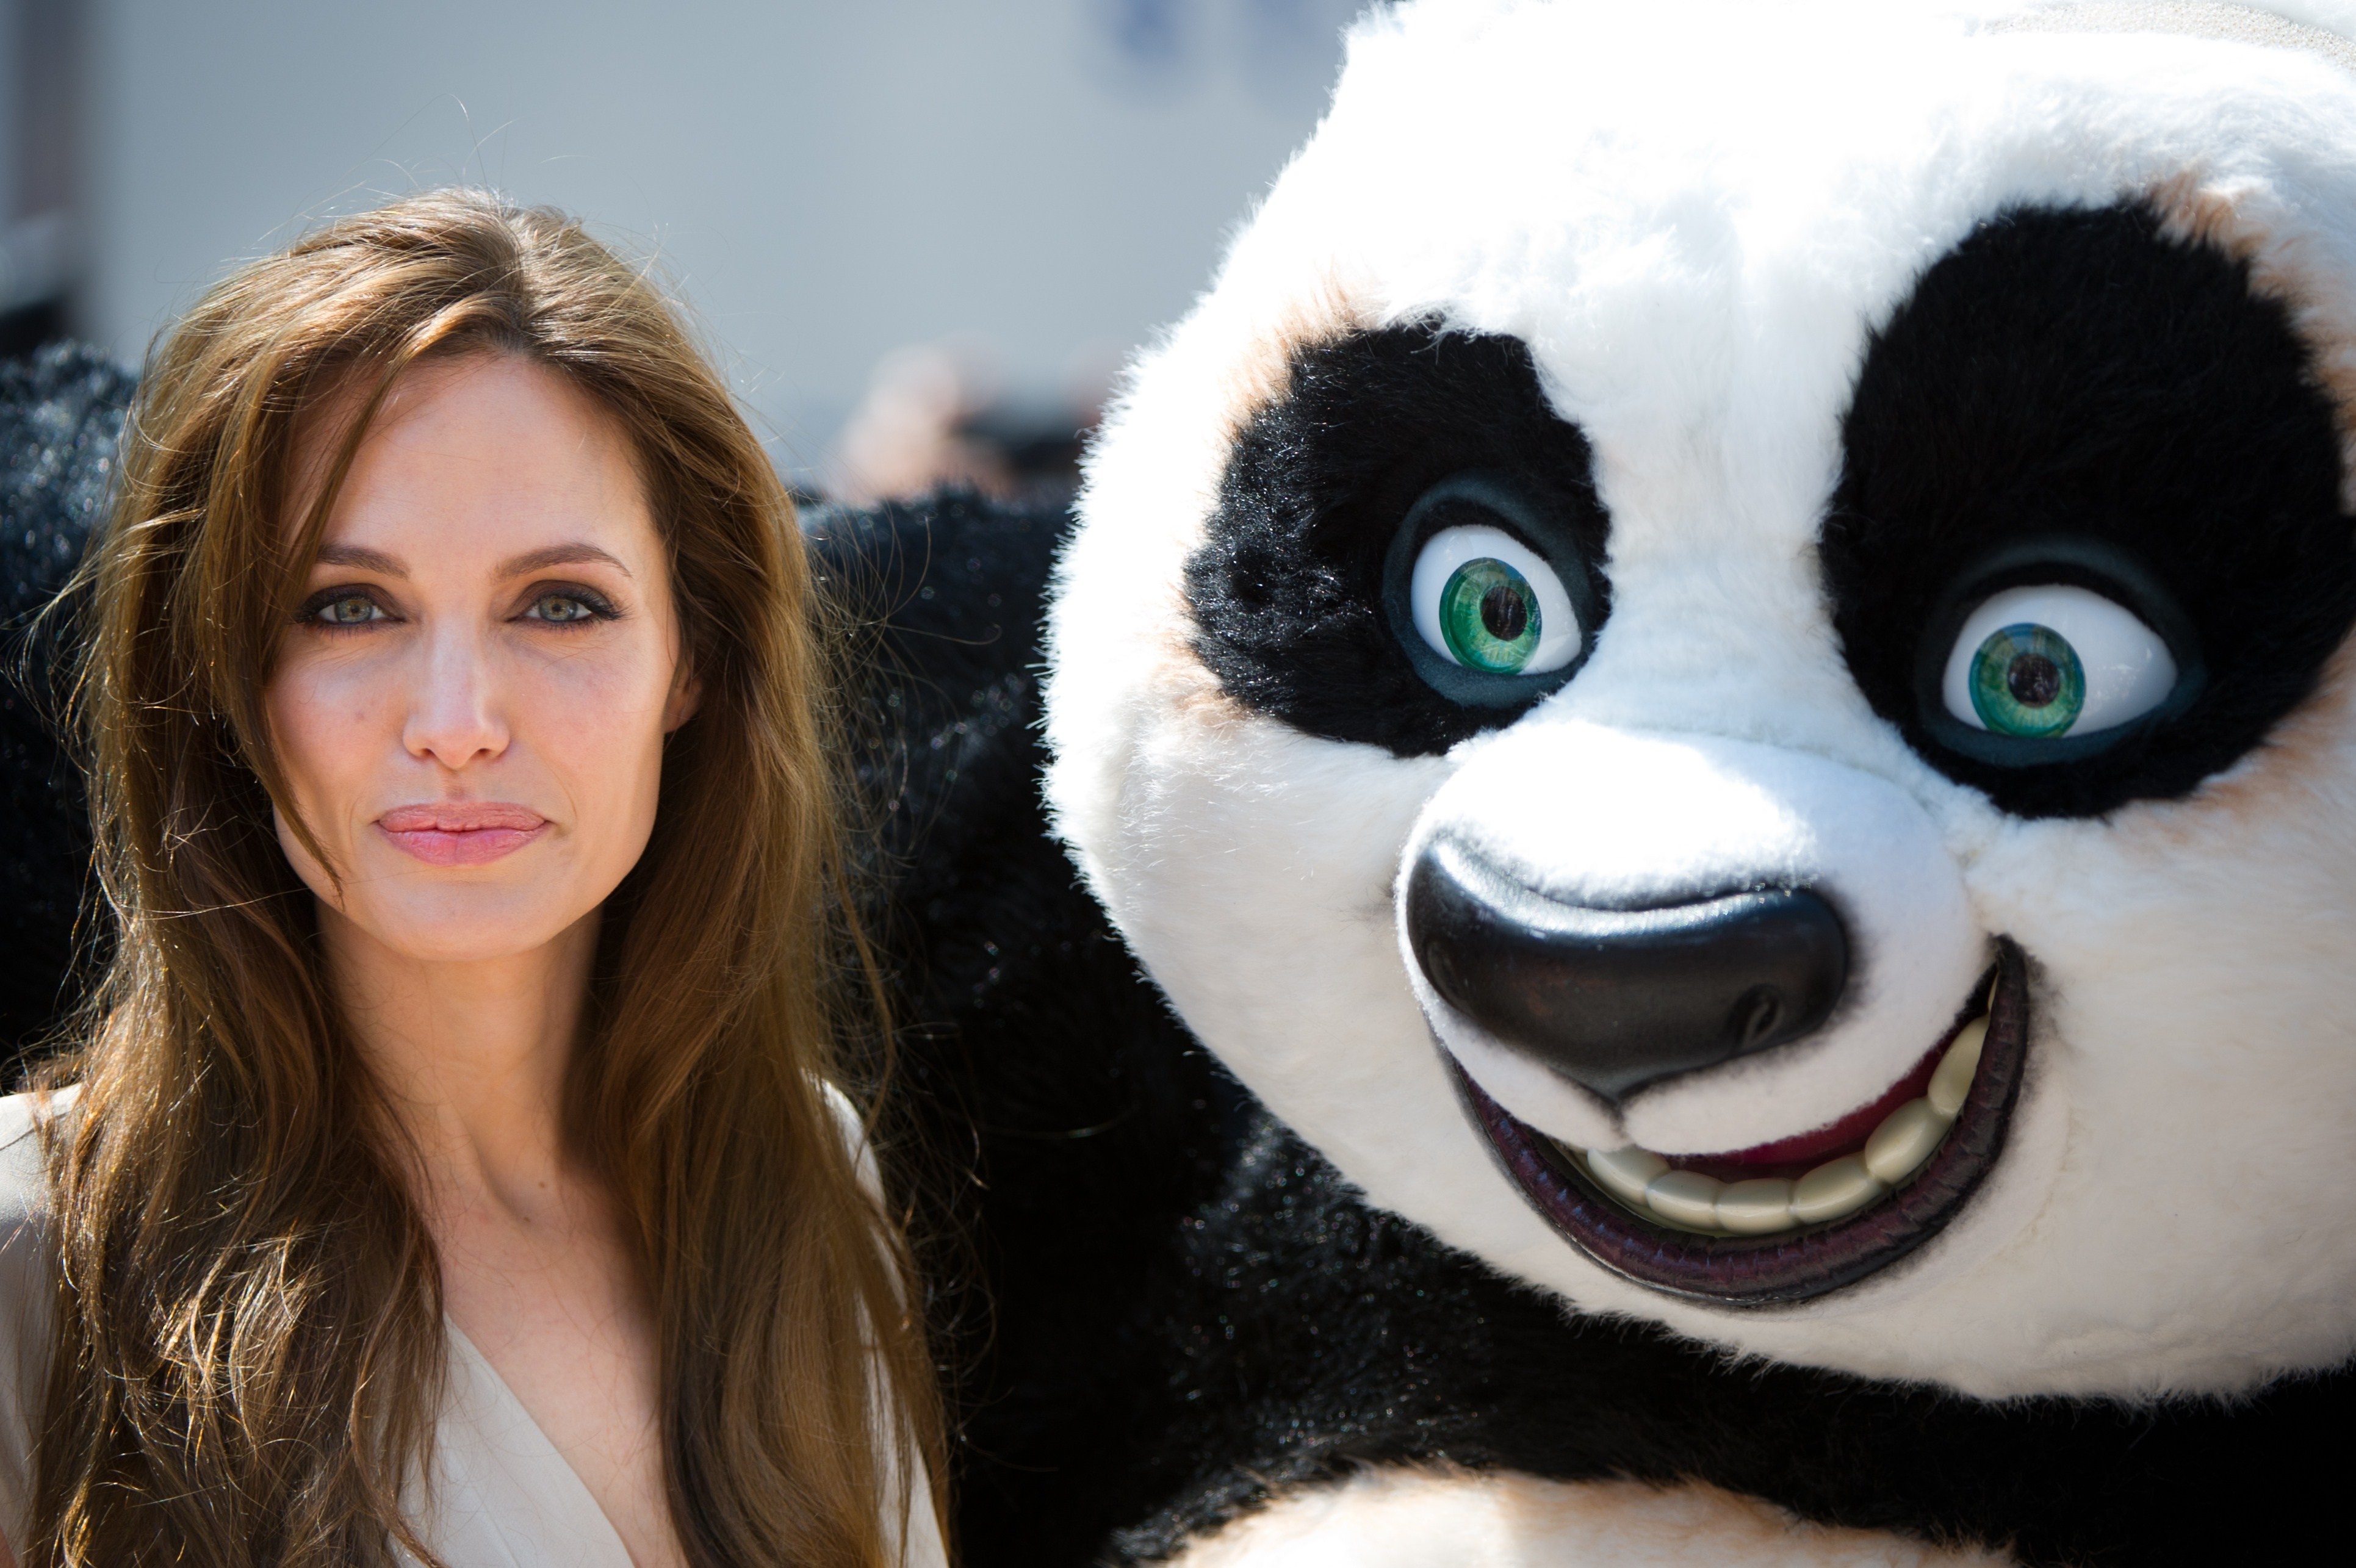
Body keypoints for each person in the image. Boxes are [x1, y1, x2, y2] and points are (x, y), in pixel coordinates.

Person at [0, 190, 948, 1568]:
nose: (456, 722)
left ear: (692, 657)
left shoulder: (803, 1181)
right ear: (220, 676)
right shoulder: (39, 1253)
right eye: (348, 607)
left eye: (559, 603)